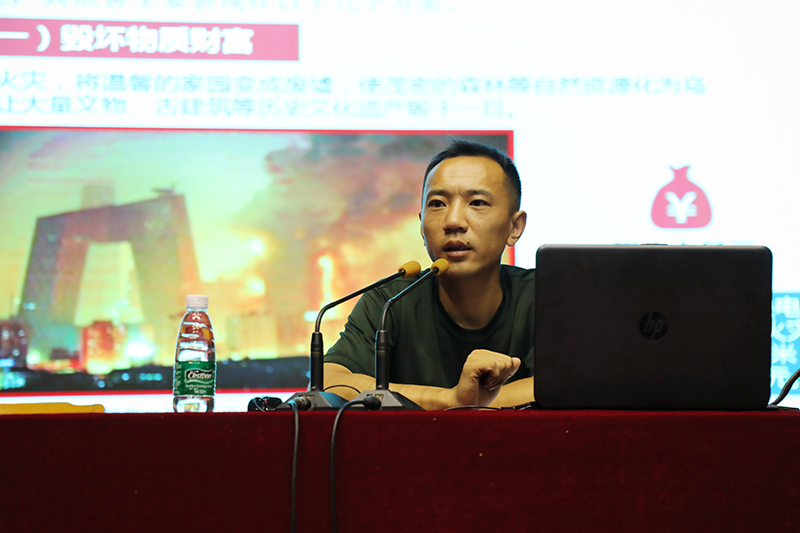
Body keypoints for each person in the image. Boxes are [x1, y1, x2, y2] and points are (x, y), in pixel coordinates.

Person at [324, 139, 534, 409]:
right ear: (421, 226)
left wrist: (467, 405)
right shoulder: (390, 302)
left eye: (477, 202)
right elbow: (329, 382)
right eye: (437, 204)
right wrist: (451, 400)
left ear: (515, 227)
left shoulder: (545, 297)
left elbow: (575, 382)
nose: (453, 221)